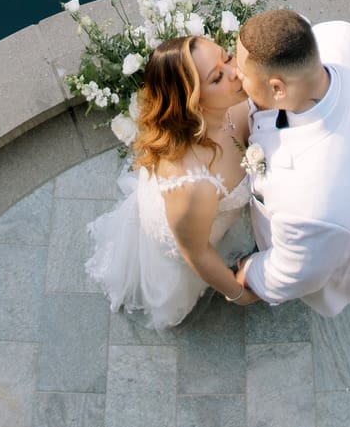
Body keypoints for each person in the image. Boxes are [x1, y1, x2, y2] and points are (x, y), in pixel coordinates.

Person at [231, 8, 350, 316]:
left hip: (334, 238)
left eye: (243, 74)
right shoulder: (342, 36)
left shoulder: (314, 202)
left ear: (277, 88)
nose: (235, 75)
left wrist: (251, 272)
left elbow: (296, 273)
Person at [81, 34, 260, 328]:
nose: (235, 72)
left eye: (227, 57)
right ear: (193, 103)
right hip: (193, 234)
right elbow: (198, 252)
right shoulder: (193, 183)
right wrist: (237, 293)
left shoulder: (228, 104)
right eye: (217, 78)